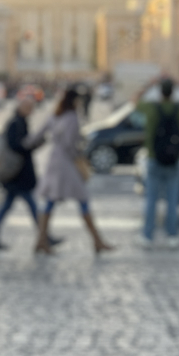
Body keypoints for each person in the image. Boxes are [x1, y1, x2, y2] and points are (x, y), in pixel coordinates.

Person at [30, 87, 114, 255]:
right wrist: (80, 155)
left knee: (50, 201)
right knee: (82, 199)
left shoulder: (56, 115)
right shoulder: (72, 118)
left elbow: (38, 135)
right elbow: (70, 145)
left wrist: (22, 144)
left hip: (54, 161)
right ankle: (97, 241)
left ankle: (41, 240)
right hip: (67, 164)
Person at [137, 78, 179, 248]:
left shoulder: (151, 108)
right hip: (174, 159)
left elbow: (135, 101)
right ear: (173, 92)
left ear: (160, 92)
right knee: (172, 200)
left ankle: (147, 236)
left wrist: (149, 84)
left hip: (153, 157)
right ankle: (172, 236)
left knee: (151, 199)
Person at [0, 97, 43, 250]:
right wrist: (31, 144)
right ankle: (44, 237)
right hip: (17, 175)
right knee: (31, 206)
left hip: (17, 175)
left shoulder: (19, 122)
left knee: (9, 207)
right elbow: (16, 146)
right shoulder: (16, 123)